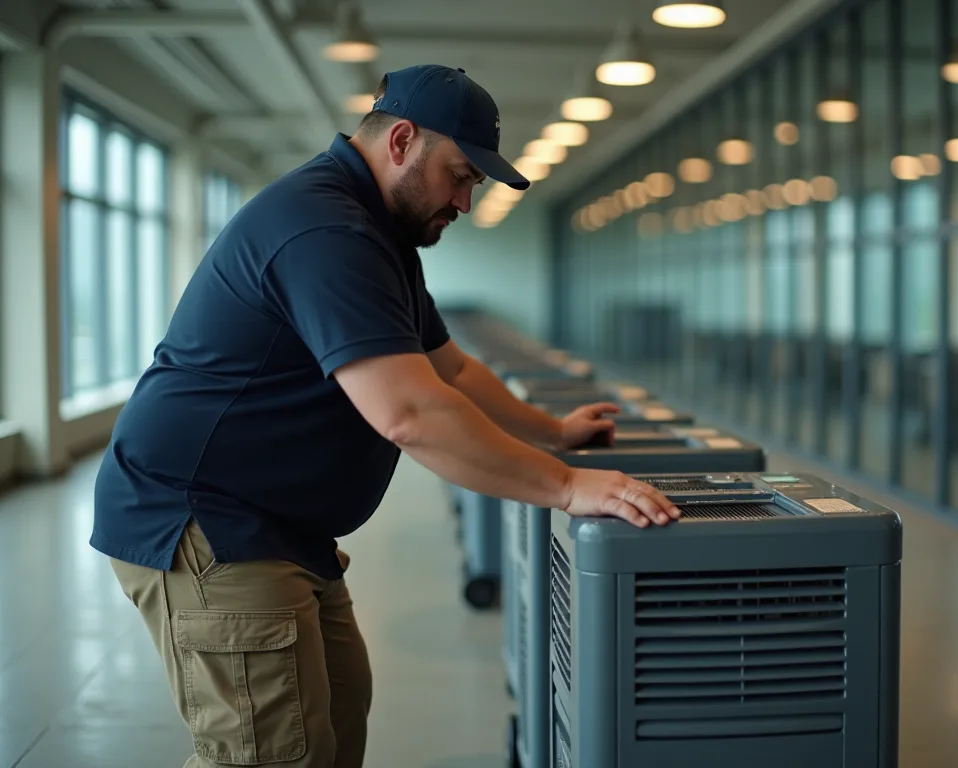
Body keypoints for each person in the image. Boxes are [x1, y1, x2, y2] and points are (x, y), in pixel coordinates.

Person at [89, 63, 679, 768]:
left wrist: (551, 431)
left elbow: (447, 367)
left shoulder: (378, 232)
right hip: (206, 520)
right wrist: (564, 485)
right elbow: (408, 412)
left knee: (337, 717)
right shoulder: (323, 228)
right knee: (269, 753)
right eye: (460, 175)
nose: (464, 202)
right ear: (401, 140)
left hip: (278, 525)